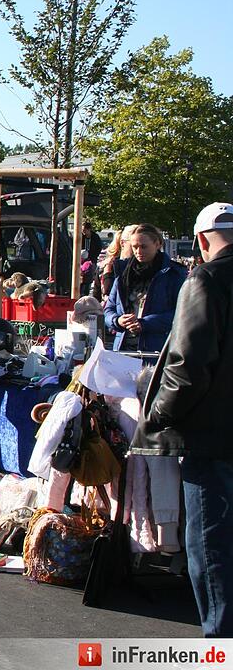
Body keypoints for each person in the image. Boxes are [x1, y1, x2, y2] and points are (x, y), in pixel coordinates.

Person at [133, 202, 233, 637]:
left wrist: (157, 416)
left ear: (202, 240)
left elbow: (189, 366)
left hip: (214, 437)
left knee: (212, 551)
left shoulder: (207, 278)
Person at [104, 223, 188, 353]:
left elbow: (181, 314)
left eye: (143, 247)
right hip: (123, 349)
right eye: (135, 247)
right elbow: (109, 309)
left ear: (158, 244)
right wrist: (117, 320)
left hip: (156, 350)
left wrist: (145, 323)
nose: (138, 252)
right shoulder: (124, 272)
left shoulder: (173, 274)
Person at [80, 222, 104, 295]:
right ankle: (80, 292)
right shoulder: (81, 237)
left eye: (84, 230)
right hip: (81, 260)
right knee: (81, 277)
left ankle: (86, 293)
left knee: (89, 277)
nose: (83, 231)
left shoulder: (95, 237)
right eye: (82, 230)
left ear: (89, 229)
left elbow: (98, 248)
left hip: (91, 260)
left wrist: (92, 256)